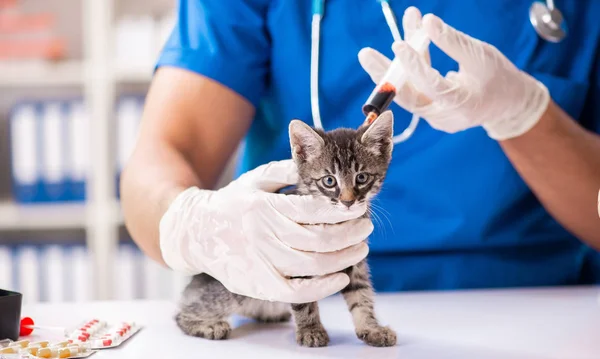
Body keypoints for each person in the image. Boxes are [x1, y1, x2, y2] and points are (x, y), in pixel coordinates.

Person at [120, 1, 600, 302]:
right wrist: (193, 221)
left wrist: (525, 114)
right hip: (307, 306)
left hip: (536, 305)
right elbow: (156, 165)